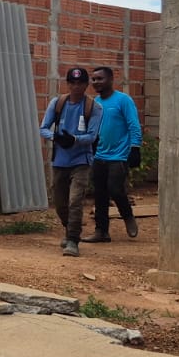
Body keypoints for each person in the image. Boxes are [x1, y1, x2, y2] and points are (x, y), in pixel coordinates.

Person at [39, 66, 102, 257]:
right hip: (60, 160)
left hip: (81, 160)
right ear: (67, 84)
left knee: (75, 200)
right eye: (72, 83)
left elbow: (92, 136)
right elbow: (43, 128)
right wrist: (56, 137)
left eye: (80, 83)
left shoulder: (93, 107)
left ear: (86, 85)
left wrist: (74, 139)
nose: (76, 87)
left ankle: (73, 240)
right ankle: (68, 228)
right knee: (60, 203)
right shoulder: (57, 103)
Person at [86, 66, 143, 243]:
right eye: (94, 79)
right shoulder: (95, 103)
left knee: (115, 189)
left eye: (100, 78)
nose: (96, 82)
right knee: (100, 194)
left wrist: (135, 147)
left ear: (111, 80)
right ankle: (101, 231)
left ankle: (128, 216)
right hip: (100, 155)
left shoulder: (123, 100)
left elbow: (133, 124)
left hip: (119, 156)